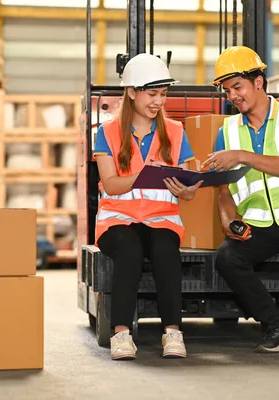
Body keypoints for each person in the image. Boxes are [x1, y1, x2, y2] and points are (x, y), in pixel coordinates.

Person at [201, 46, 279, 362]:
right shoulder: (228, 131)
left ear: (259, 82)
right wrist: (228, 220)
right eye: (228, 90)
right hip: (258, 225)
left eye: (237, 87)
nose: (233, 96)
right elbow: (225, 191)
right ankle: (277, 323)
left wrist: (243, 155)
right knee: (227, 258)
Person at [93, 53, 202, 361]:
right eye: (152, 94)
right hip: (117, 222)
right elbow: (111, 184)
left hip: (161, 220)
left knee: (166, 251)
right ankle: (122, 334)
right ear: (131, 92)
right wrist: (141, 175)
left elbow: (189, 193)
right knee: (129, 250)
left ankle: (172, 332)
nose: (159, 101)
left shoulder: (176, 132)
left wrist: (188, 189)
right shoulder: (108, 132)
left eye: (163, 95)